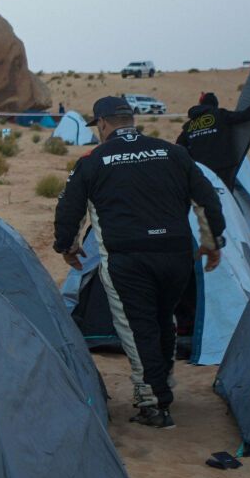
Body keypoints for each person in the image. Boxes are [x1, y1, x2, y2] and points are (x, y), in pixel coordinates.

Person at [54, 96, 226, 429]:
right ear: (131, 120)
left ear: (102, 124)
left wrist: (67, 246)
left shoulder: (93, 160)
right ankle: (163, 385)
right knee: (164, 319)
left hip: (127, 258)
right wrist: (211, 241)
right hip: (176, 255)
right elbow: (207, 198)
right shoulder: (173, 152)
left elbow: (69, 209)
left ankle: (154, 402)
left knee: (138, 327)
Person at [176, 85, 250, 187]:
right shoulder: (220, 114)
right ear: (214, 104)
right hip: (223, 166)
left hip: (201, 168)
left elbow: (179, 146)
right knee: (225, 196)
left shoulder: (189, 125)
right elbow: (245, 115)